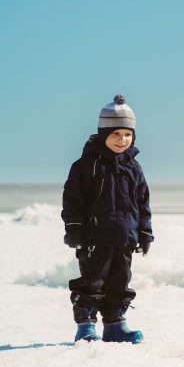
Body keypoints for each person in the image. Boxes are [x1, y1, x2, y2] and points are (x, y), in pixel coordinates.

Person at [61, 94, 154, 344]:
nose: (122, 140)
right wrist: (74, 229)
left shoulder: (134, 168)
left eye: (127, 134)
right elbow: (73, 199)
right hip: (94, 238)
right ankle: (86, 327)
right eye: (116, 134)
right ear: (104, 134)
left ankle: (115, 326)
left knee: (120, 284)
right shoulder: (86, 165)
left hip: (125, 238)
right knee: (92, 283)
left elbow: (142, 202)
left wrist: (145, 233)